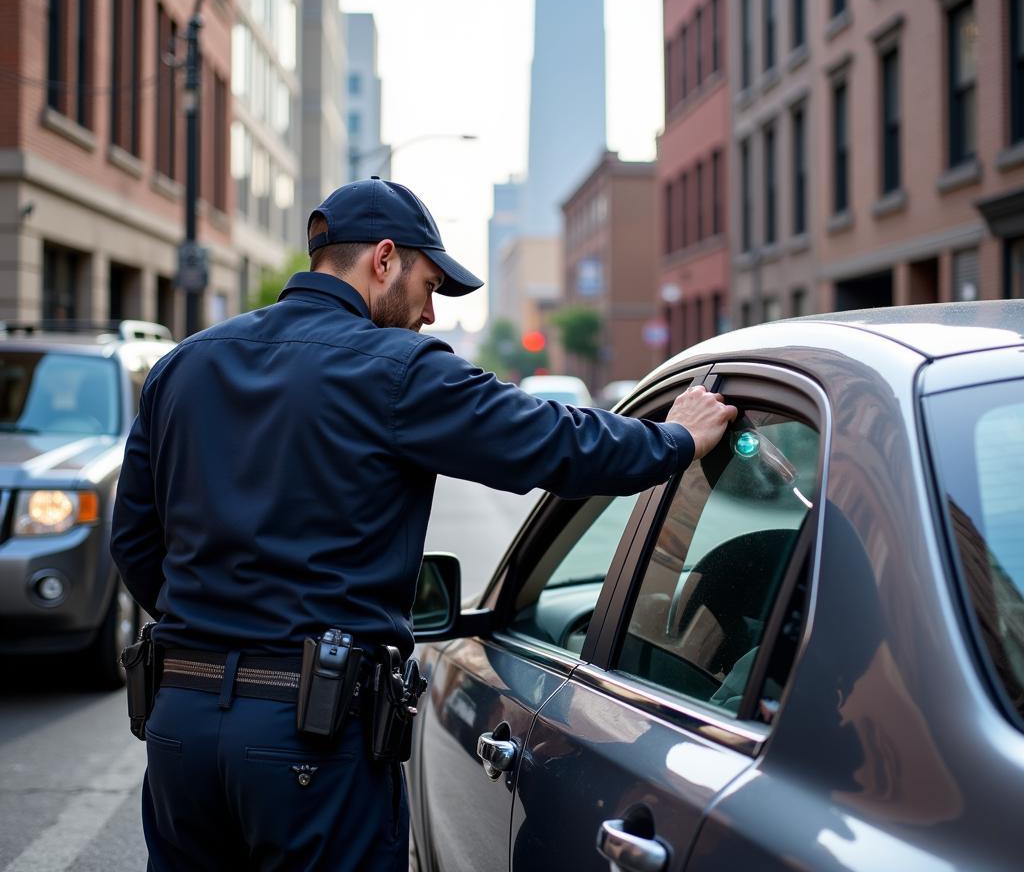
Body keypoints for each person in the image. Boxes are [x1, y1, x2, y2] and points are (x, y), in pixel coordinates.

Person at [111, 176, 737, 871]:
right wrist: (675, 440)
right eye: (429, 284)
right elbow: (554, 443)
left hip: (179, 732)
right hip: (310, 743)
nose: (431, 314)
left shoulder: (183, 367)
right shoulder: (397, 370)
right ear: (384, 260)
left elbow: (135, 542)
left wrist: (215, 630)